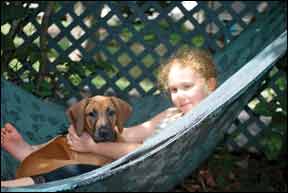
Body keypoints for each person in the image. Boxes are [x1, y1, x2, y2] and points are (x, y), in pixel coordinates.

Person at [1, 47, 217, 187]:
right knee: (81, 134)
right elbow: (132, 133)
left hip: (136, 171)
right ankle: (33, 152)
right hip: (119, 158)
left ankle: (16, 184)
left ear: (210, 85)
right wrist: (88, 138)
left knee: (77, 170)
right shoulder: (172, 113)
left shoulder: (192, 122)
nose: (179, 96)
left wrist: (93, 147)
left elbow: (142, 152)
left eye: (186, 87)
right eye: (173, 90)